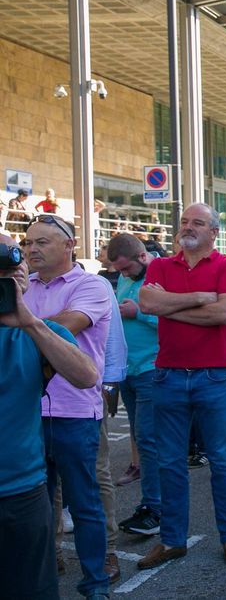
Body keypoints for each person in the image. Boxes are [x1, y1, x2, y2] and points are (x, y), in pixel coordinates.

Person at [136, 203, 226, 569]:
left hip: (213, 375)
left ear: (214, 232)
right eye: (184, 221)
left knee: (221, 461)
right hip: (169, 374)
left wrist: (170, 307)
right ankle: (172, 540)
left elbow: (225, 314)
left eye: (197, 222)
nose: (188, 227)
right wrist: (200, 298)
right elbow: (147, 302)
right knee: (170, 462)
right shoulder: (159, 265)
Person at [0, 232, 99, 600]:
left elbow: (85, 375)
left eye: (10, 270)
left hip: (22, 494)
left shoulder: (37, 332)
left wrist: (28, 320)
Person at [23, 214, 116, 595]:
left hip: (74, 410)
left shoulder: (92, 285)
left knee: (84, 503)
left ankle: (95, 582)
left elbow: (65, 326)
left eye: (42, 242)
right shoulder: (19, 285)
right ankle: (41, 577)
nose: (32, 250)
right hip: (27, 412)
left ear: (69, 245)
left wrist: (17, 319)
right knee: (34, 507)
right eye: (28, 243)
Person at [107, 234, 163, 536]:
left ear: (142, 257)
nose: (123, 275)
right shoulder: (128, 278)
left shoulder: (161, 275)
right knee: (143, 440)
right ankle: (151, 505)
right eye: (118, 271)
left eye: (126, 269)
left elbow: (173, 319)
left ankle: (155, 508)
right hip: (129, 371)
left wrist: (137, 313)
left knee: (149, 440)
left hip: (152, 370)